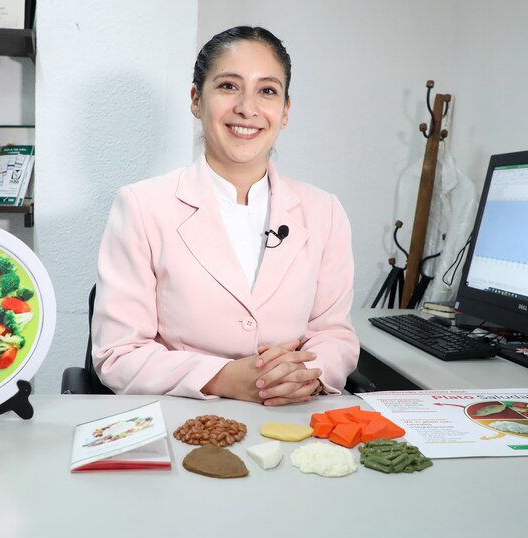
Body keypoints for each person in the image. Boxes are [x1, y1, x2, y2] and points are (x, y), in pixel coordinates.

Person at [92, 26, 359, 406]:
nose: (247, 108)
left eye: (267, 91)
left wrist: (303, 376)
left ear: (285, 111)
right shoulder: (141, 206)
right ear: (196, 100)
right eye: (229, 86)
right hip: (183, 416)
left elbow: (334, 334)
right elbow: (118, 355)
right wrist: (222, 378)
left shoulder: (324, 212)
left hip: (292, 417)